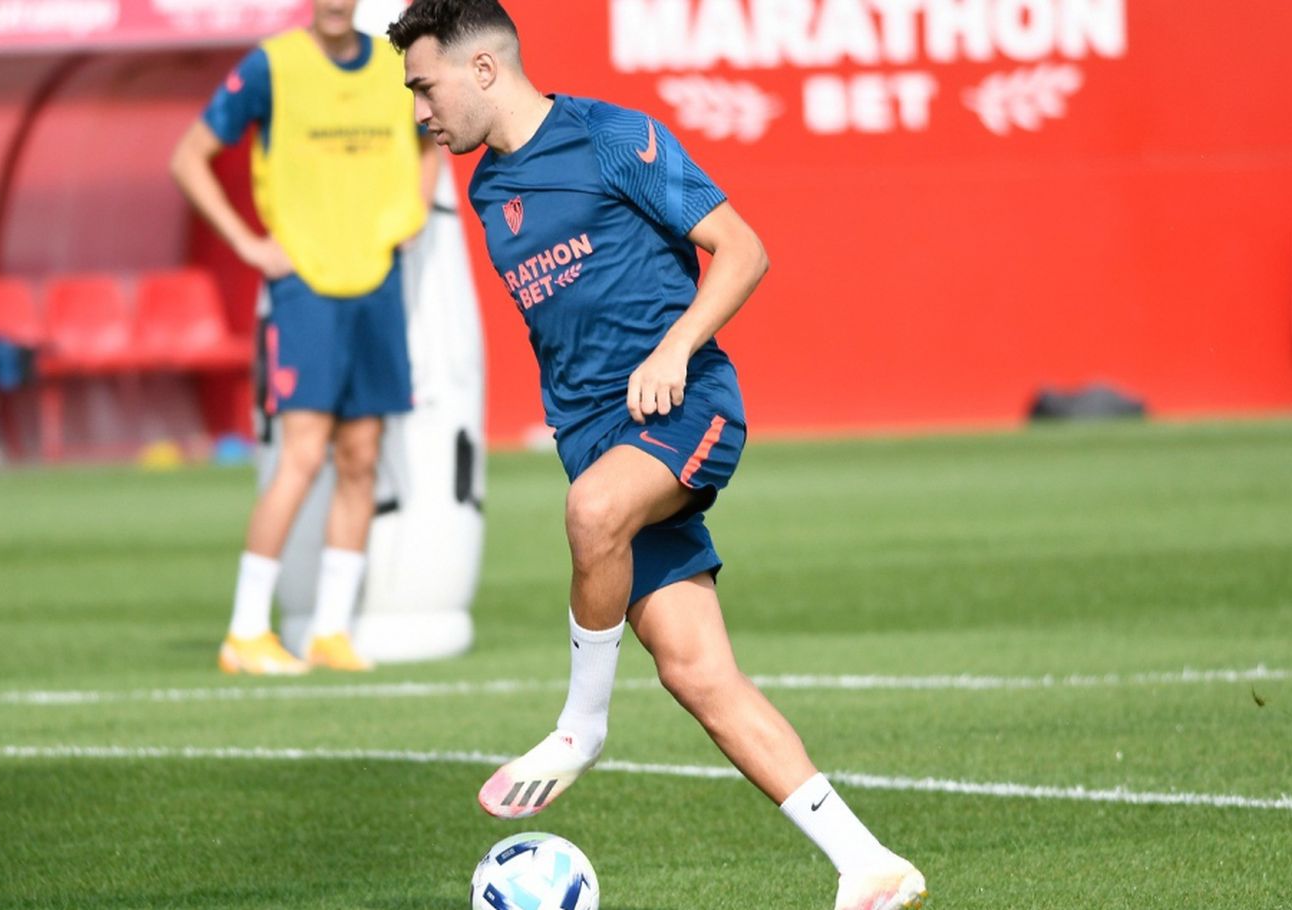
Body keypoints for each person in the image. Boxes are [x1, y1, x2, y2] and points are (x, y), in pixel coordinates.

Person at [387, 3, 927, 909]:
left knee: (593, 514)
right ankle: (867, 863)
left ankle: (580, 729)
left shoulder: (612, 138)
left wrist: (674, 349)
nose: (418, 111)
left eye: (425, 86)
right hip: (597, 441)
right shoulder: (484, 189)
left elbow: (743, 251)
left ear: (483, 70)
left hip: (684, 409)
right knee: (696, 671)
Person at [171, 0, 439, 675]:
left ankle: (328, 632)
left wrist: (416, 210)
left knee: (361, 456)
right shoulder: (273, 65)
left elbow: (432, 137)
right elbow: (190, 157)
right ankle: (245, 631)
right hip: (304, 288)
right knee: (302, 454)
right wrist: (246, 244)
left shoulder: (394, 63)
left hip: (377, 282)